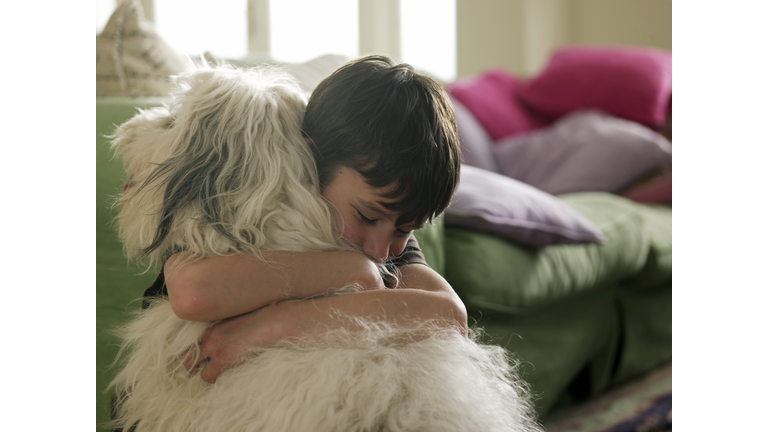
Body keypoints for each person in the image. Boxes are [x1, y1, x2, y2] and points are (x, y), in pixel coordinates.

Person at [142, 55, 466, 384]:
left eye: (406, 229)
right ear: (311, 162)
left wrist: (272, 327)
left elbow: (449, 318)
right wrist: (354, 272)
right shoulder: (245, 200)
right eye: (367, 216)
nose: (381, 251)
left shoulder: (383, 232)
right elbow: (192, 292)